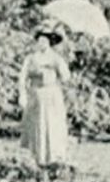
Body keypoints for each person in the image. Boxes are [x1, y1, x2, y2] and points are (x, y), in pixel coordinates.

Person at [19, 29, 73, 170]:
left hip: (52, 95)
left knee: (51, 124)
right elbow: (22, 77)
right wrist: (22, 94)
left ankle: (53, 158)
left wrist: (57, 67)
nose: (41, 43)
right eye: (39, 40)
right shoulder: (30, 58)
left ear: (50, 43)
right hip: (36, 95)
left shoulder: (56, 58)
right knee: (37, 124)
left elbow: (66, 77)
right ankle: (36, 158)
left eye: (45, 40)